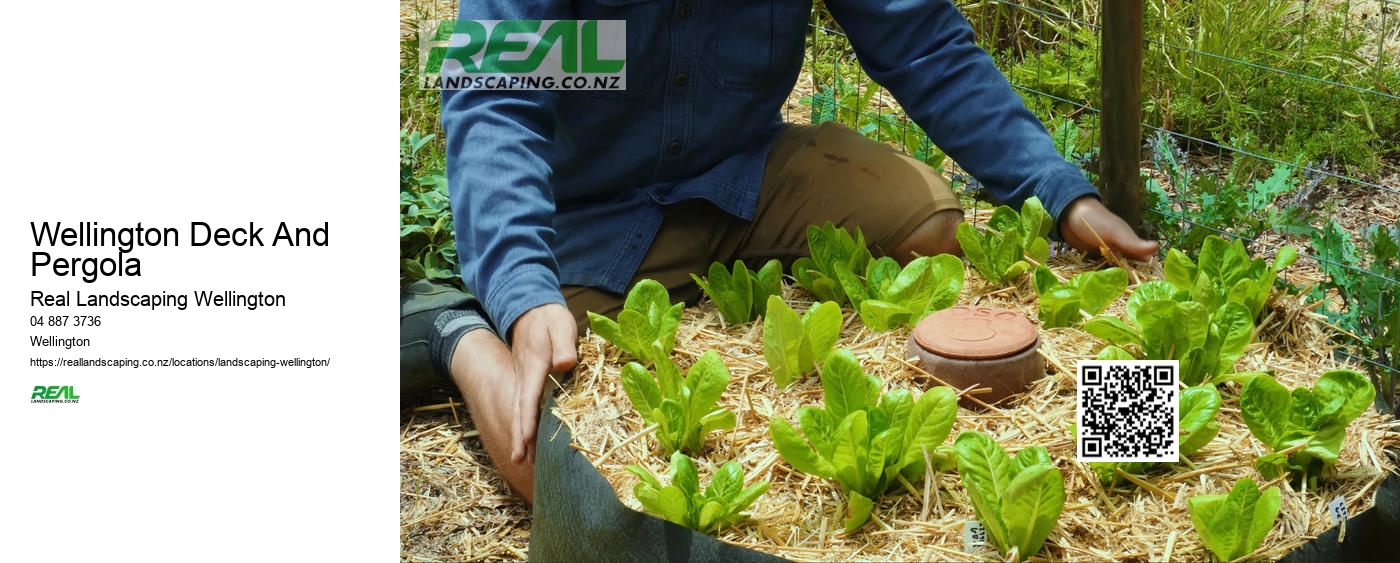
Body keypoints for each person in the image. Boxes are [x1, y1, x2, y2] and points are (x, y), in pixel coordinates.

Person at [417, 0, 1159, 504]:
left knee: (930, 221)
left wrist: (1063, 194)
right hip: (586, 216)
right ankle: (456, 330)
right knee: (549, 470)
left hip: (740, 174)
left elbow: (925, 44)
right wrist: (524, 287)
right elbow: (496, 90)